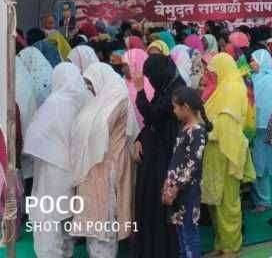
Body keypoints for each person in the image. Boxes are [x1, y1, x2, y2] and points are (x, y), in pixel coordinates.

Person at [70, 62, 140, 257]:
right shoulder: (101, 100)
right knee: (96, 217)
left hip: (110, 165)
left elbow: (100, 130)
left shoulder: (118, 98)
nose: (90, 89)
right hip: (95, 165)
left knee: (106, 217)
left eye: (91, 84)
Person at [23, 63, 88, 258]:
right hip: (75, 168)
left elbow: (34, 135)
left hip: (52, 169)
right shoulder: (84, 100)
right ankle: (66, 252)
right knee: (67, 214)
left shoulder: (55, 102)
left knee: (48, 216)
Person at [201, 53, 256, 256]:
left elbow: (228, 124)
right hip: (214, 152)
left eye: (212, 71)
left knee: (228, 202)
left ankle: (232, 247)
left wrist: (205, 129)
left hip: (228, 152)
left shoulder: (233, 88)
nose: (209, 74)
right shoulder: (220, 89)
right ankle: (221, 244)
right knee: (215, 201)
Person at [133, 52, 186, 258]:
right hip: (158, 153)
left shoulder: (177, 91)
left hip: (168, 156)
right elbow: (152, 121)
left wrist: (139, 91)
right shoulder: (167, 85)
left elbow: (153, 114)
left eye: (151, 78)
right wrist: (140, 138)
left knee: (163, 205)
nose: (151, 83)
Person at [162, 87, 211, 258]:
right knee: (182, 237)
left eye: (176, 107)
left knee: (189, 234)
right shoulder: (184, 128)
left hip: (188, 192)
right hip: (177, 191)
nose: (174, 110)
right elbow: (178, 160)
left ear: (186, 108)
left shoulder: (197, 131)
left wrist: (176, 186)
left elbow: (192, 163)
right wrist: (169, 186)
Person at [250, 42, 272, 213]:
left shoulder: (267, 80)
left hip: (263, 127)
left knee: (261, 163)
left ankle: (264, 200)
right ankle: (258, 198)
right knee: (257, 162)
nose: (251, 63)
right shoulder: (257, 77)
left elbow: (265, 105)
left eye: (253, 61)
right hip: (256, 127)